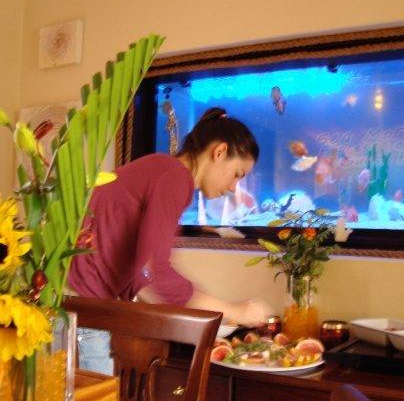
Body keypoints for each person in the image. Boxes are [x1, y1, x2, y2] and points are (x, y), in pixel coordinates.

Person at [68, 107, 272, 373]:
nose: (235, 188)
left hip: (74, 297)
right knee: (96, 400)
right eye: (237, 174)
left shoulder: (161, 167)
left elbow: (144, 273)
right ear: (220, 152)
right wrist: (235, 311)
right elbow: (153, 273)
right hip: (81, 303)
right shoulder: (174, 177)